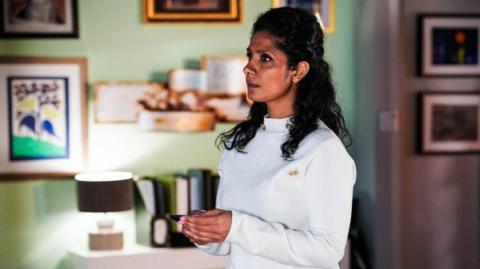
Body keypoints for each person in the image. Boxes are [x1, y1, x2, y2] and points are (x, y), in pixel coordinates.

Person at [180, 7, 356, 269]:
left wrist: (235, 226)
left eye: (265, 58)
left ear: (298, 71)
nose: (248, 68)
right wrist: (205, 232)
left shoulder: (323, 150)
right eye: (250, 55)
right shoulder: (240, 142)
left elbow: (327, 250)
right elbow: (229, 243)